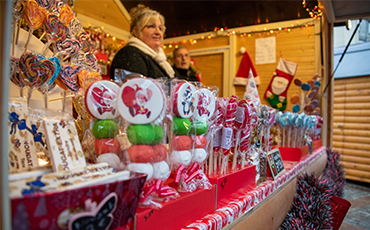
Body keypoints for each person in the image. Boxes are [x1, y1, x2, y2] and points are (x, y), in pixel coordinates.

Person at [110, 4, 175, 80]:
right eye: (151, 26)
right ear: (136, 31)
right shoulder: (130, 54)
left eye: (160, 28)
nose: (158, 32)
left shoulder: (159, 60)